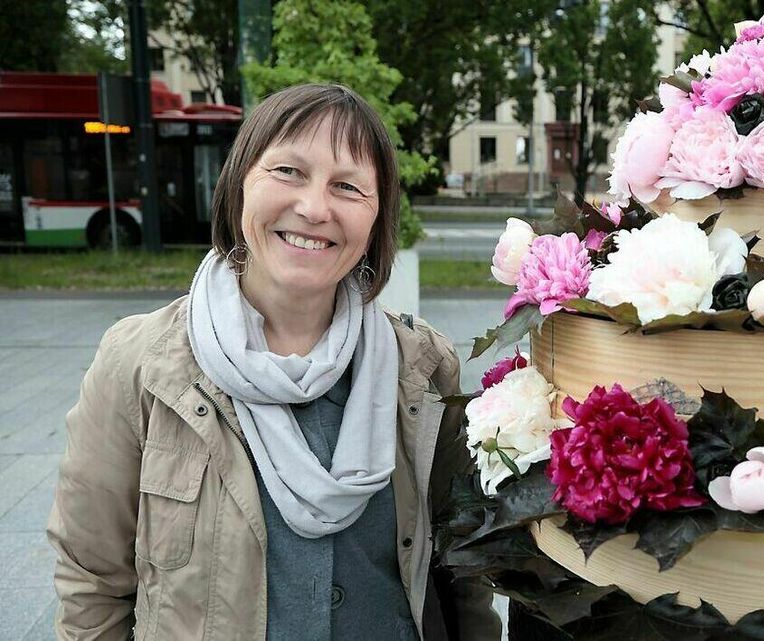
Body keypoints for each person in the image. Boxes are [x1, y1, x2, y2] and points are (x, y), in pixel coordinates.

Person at [46, 84, 502, 641]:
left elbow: (462, 571)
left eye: (347, 186)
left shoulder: (425, 367)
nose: (314, 208)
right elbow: (92, 582)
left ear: (377, 216)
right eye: (288, 171)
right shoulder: (140, 364)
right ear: (239, 183)